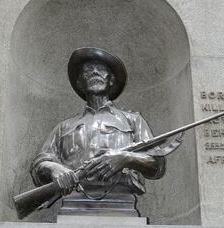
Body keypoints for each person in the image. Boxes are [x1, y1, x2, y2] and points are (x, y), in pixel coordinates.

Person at [30, 47, 166, 206]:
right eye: (88, 71)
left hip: (121, 200)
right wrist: (53, 168)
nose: (95, 73)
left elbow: (157, 165)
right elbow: (38, 166)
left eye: (101, 69)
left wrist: (125, 158)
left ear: (111, 80)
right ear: (80, 83)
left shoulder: (133, 120)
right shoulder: (64, 127)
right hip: (73, 201)